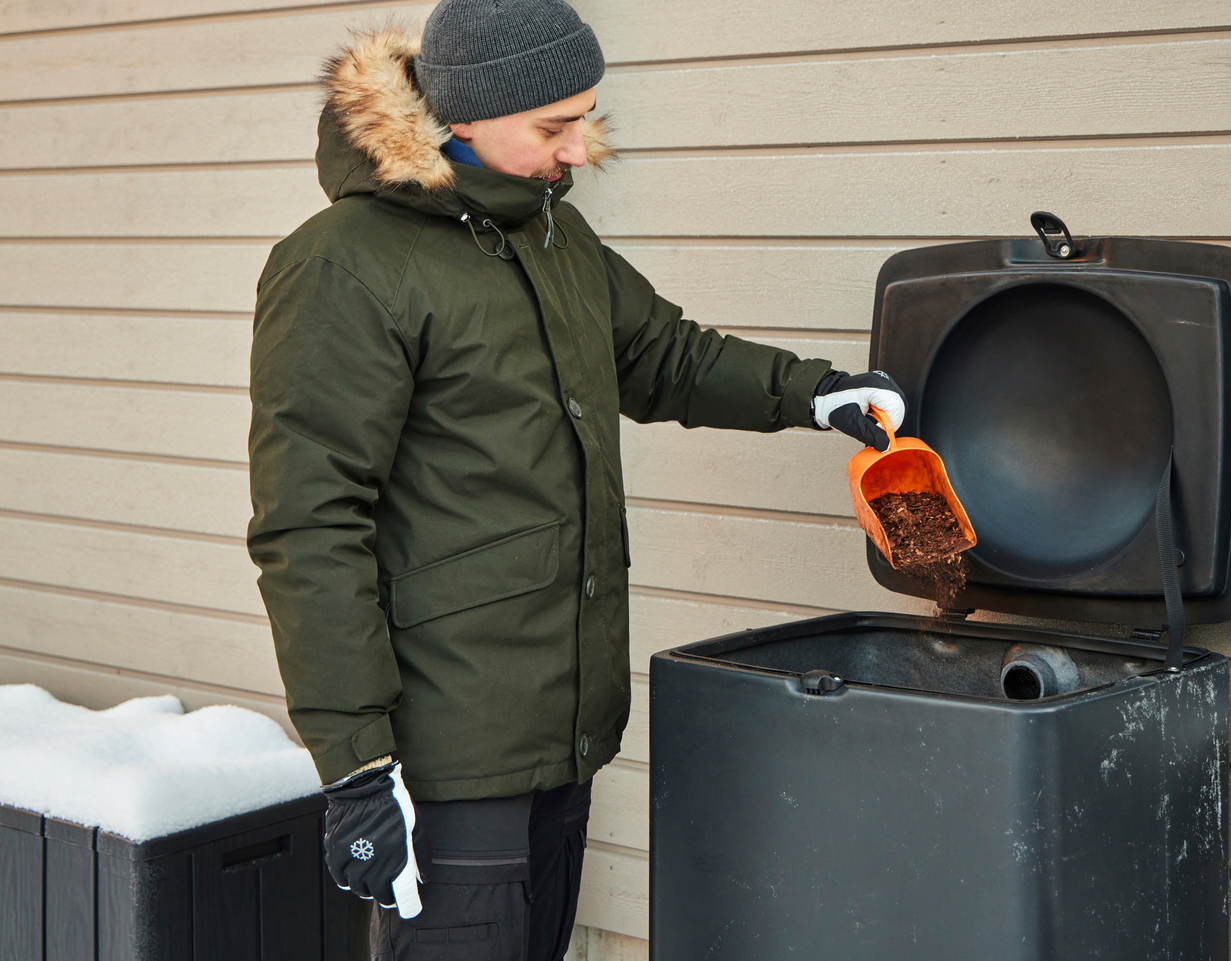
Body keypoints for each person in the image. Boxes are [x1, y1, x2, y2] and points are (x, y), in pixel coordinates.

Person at [246, 1, 906, 957]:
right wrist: (356, 763)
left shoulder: (553, 237)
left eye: (584, 120)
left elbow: (665, 356)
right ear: (462, 117)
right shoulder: (343, 267)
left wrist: (814, 393)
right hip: (451, 752)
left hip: (563, 731)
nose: (576, 151)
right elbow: (311, 524)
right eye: (553, 127)